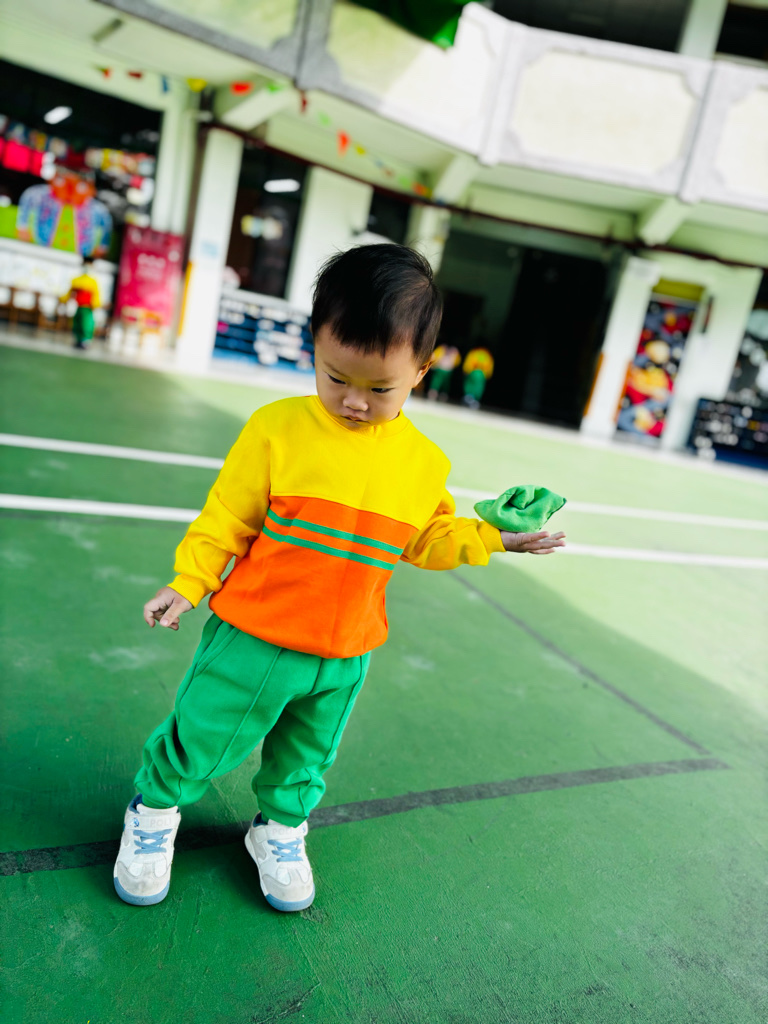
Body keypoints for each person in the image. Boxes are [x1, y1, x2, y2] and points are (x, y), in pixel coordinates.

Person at [113, 245, 566, 912]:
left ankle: (279, 828)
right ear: (316, 346)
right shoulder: (277, 429)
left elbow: (426, 539)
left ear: (421, 371)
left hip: (346, 649)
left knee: (307, 754)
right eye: (335, 377)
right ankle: (153, 811)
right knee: (203, 732)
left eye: (380, 389)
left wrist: (493, 535)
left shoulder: (423, 463)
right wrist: (188, 582)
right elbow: (227, 517)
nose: (354, 402)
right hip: (254, 635)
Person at [61, 258, 101, 349]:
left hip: (87, 307)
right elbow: (70, 292)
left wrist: (95, 304)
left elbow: (96, 295)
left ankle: (85, 341)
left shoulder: (93, 281)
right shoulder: (76, 280)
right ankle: (78, 339)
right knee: (77, 323)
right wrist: (64, 299)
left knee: (86, 324)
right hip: (78, 306)